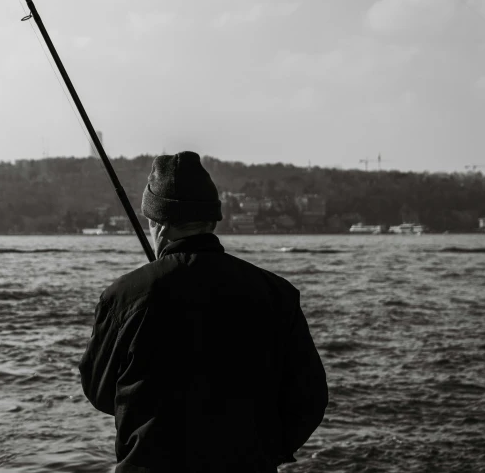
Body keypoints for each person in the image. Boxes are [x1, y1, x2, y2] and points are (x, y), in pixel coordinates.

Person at [79, 151, 328, 473]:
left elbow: (100, 392)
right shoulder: (277, 293)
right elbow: (309, 400)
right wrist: (268, 451)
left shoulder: (125, 295)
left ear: (156, 223)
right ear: (212, 221)